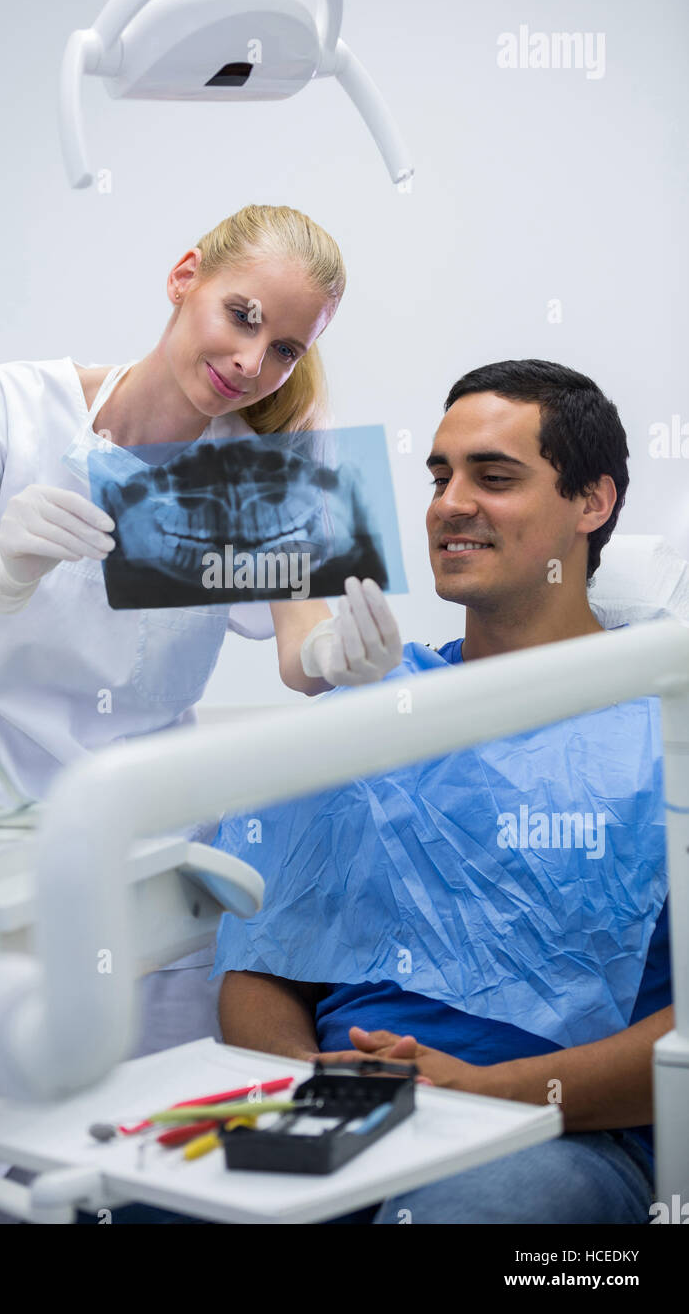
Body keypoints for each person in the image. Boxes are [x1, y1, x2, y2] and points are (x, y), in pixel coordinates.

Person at [0, 203, 402, 1222]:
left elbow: (301, 654)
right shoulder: (9, 406)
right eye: (240, 314)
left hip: (153, 861)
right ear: (183, 277)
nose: (252, 360)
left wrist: (344, 655)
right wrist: (3, 573)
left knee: (154, 1170)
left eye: (285, 345)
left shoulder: (257, 464)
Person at [215, 359, 673, 1225]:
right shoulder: (369, 709)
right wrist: (310, 1084)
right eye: (439, 475)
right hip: (342, 1112)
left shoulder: (665, 734)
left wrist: (484, 1090)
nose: (449, 504)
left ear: (592, 503)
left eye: (493, 478)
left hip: (557, 1134)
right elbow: (256, 965)